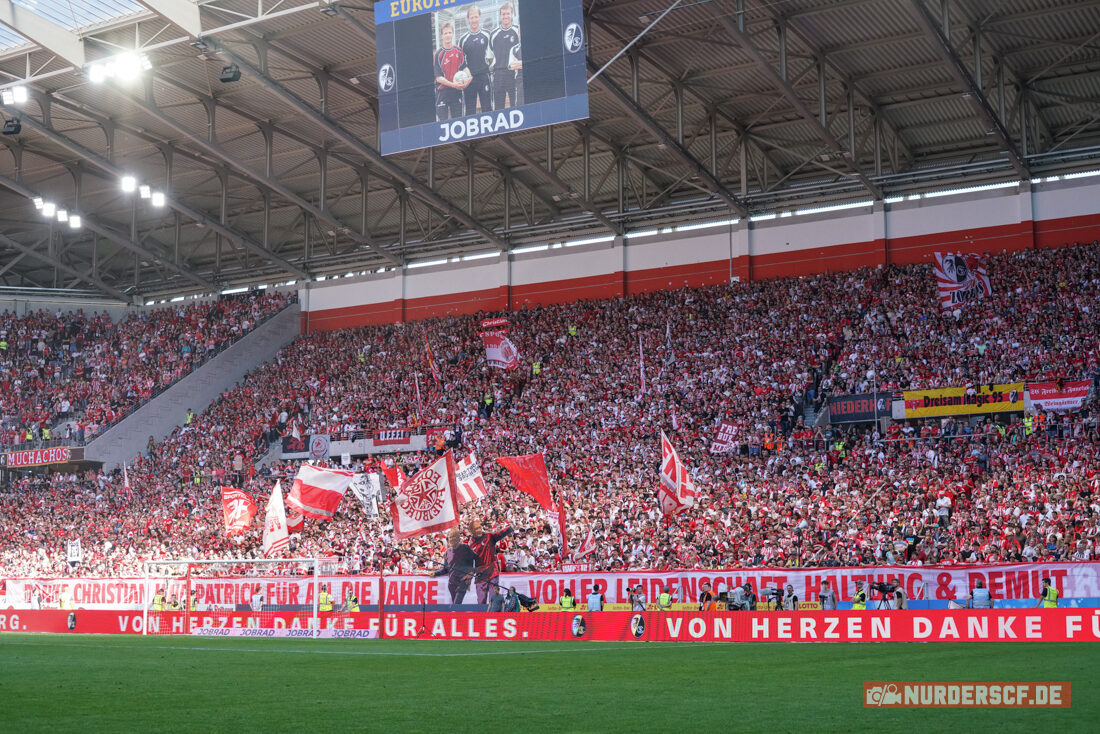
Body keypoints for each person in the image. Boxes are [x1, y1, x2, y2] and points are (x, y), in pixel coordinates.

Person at [459, 4, 493, 115]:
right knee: (470, 110)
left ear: (480, 17)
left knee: (487, 107)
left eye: (475, 17)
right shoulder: (463, 39)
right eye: (471, 17)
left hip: (484, 77)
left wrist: (490, 67)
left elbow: (493, 55)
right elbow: (460, 60)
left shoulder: (487, 35)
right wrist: (465, 70)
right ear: (468, 19)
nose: (474, 20)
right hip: (469, 80)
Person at [468, 519, 511, 605]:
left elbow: (500, 533)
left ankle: (494, 617)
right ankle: (481, 618)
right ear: (471, 531)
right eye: (476, 529)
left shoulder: (489, 537)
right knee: (481, 602)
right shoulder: (470, 545)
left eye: (479, 527)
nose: (479, 530)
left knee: (493, 600)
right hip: (480, 576)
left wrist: (510, 528)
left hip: (493, 573)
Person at [434, 19, 469, 121]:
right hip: (442, 93)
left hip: (456, 91)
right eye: (445, 33)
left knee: (458, 121)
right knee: (443, 123)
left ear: (453, 34)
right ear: (442, 36)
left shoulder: (458, 50)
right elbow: (438, 77)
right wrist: (453, 84)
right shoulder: (438, 54)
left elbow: (464, 67)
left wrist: (468, 78)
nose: (448, 35)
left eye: (449, 32)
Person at [433, 529, 478, 605]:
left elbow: (477, 559)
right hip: (452, 583)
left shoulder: (465, 547)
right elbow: (445, 569)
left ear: (458, 538)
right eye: (450, 537)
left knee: (457, 603)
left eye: (453, 537)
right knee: (455, 605)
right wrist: (435, 574)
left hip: (463, 580)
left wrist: (472, 572)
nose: (451, 539)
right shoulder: (447, 552)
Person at [489, 2, 520, 110]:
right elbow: (490, 56)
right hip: (498, 75)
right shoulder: (493, 34)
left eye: (507, 13)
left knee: (515, 106)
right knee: (499, 107)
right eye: (503, 14)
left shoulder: (517, 31)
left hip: (513, 74)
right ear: (500, 16)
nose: (505, 16)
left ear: (511, 14)